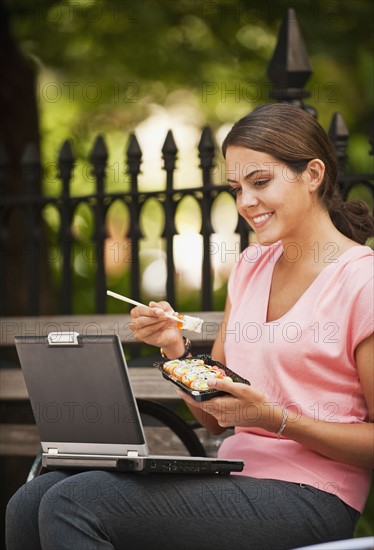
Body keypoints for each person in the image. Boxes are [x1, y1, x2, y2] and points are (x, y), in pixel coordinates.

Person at [6, 104, 374, 550]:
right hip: (235, 478)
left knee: (75, 502)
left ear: (313, 174)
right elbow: (213, 418)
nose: (245, 203)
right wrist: (175, 351)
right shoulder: (251, 266)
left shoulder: (361, 281)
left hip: (313, 496)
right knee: (30, 501)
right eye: (237, 188)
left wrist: (276, 421)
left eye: (260, 183)